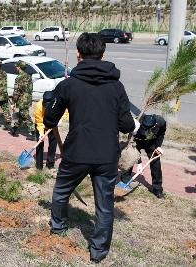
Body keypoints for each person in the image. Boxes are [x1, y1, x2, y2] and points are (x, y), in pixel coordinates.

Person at [43, 32, 137, 263]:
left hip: (76, 152)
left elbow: (49, 119)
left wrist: (50, 103)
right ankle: (98, 251)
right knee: (105, 206)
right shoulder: (116, 87)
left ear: (78, 53)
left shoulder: (68, 85)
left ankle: (58, 226)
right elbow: (126, 124)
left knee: (62, 191)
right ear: (103, 53)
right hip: (106, 155)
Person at [121, 114, 166, 198]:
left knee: (156, 164)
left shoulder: (161, 122)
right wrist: (139, 162)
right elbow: (131, 142)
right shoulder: (136, 124)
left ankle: (157, 189)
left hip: (151, 143)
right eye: (144, 127)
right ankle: (125, 180)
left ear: (154, 124)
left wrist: (158, 146)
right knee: (130, 158)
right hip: (137, 142)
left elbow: (161, 133)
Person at [34, 91, 68, 170]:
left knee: (53, 142)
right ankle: (39, 166)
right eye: (45, 106)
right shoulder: (39, 106)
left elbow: (66, 111)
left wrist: (61, 119)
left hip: (53, 122)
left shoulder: (58, 104)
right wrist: (41, 134)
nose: (46, 108)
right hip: (41, 123)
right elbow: (39, 122)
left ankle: (50, 164)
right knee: (40, 143)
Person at [10, 60, 36, 140]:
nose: (16, 68)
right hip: (28, 98)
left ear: (19, 67)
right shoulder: (29, 76)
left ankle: (33, 133)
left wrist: (13, 102)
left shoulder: (19, 78)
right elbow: (31, 88)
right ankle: (14, 129)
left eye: (17, 66)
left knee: (24, 115)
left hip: (22, 99)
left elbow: (16, 92)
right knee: (22, 114)